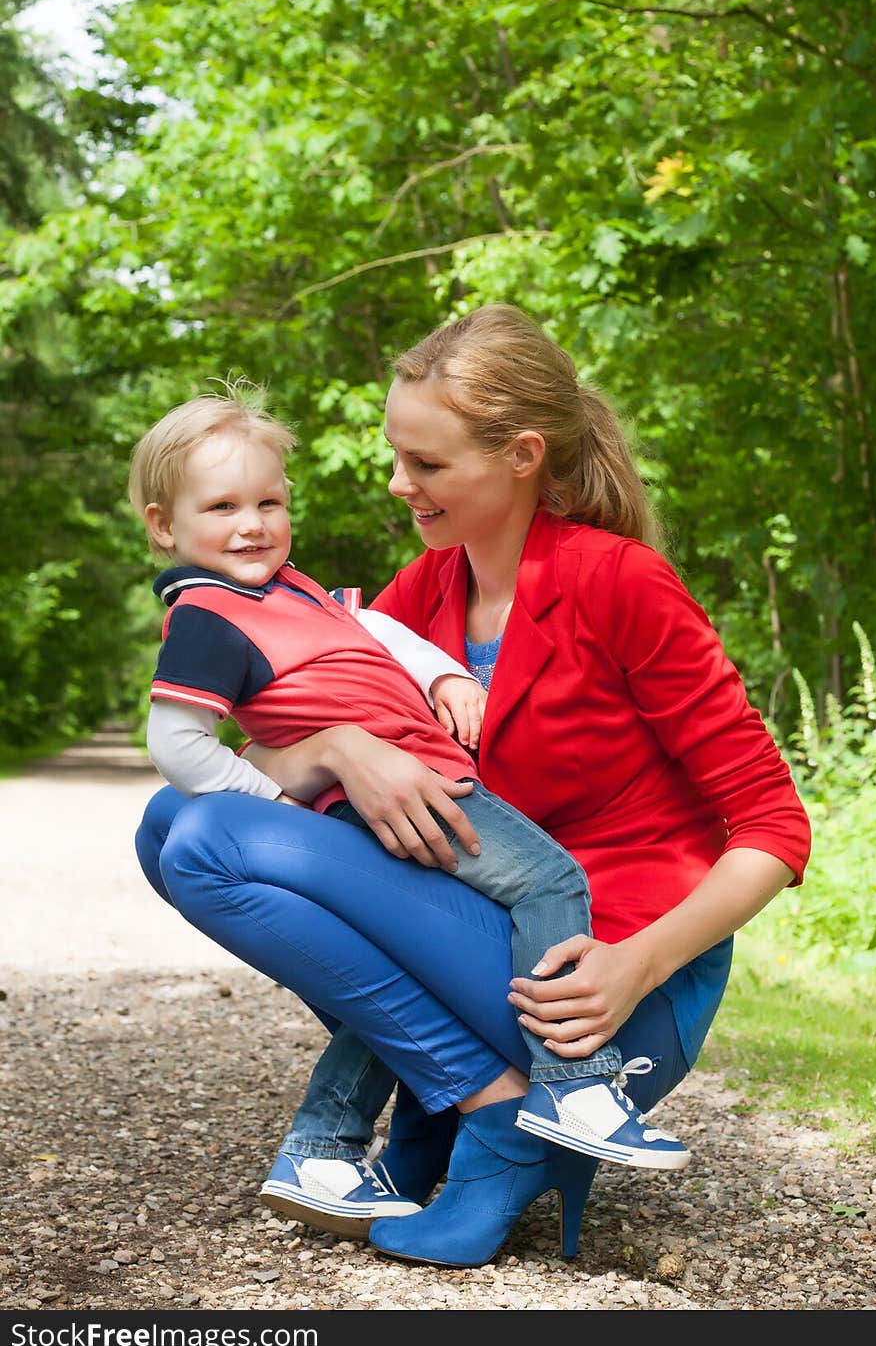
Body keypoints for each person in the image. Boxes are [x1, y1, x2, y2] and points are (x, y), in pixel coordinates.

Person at [134, 303, 811, 1269]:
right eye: (397, 455)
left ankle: (504, 1118)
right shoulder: (424, 594)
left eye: (428, 465)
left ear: (523, 455)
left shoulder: (620, 583)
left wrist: (638, 967)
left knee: (204, 838)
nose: (399, 483)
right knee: (174, 826)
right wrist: (338, 746)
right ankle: (471, 1094)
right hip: (476, 944)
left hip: (603, 990)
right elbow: (275, 763)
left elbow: (775, 827)